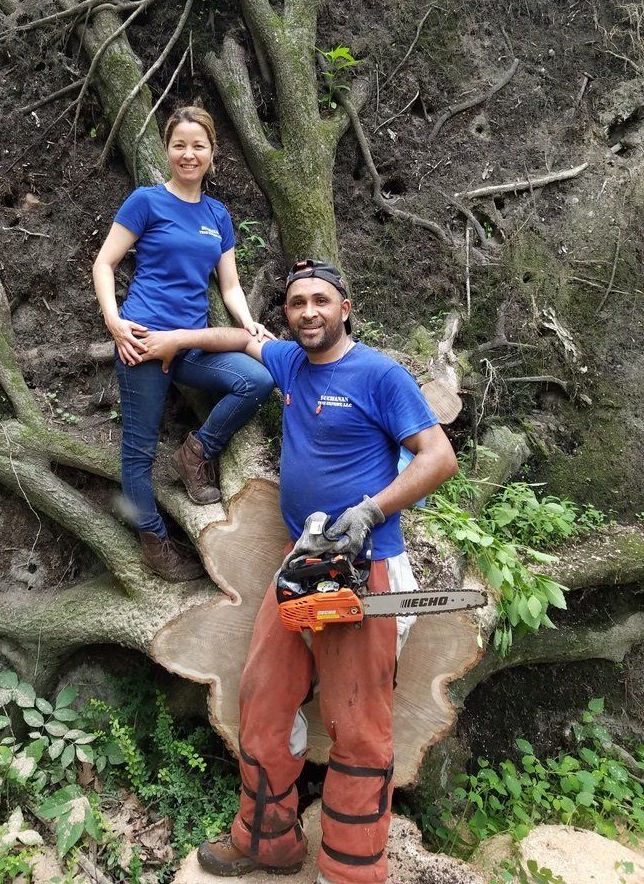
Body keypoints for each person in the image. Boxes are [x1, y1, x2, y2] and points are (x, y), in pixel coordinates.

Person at [138, 258, 458, 884]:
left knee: (358, 725)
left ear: (345, 307)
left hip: (368, 571)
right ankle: (268, 840)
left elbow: (438, 457)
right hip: (303, 563)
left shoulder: (380, 374)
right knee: (263, 697)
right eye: (296, 302)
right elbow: (240, 339)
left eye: (321, 300)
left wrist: (372, 509)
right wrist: (177, 340)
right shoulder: (289, 362)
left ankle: (351, 871)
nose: (308, 311)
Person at [92, 106, 275, 584]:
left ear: (212, 152)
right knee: (137, 451)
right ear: (167, 151)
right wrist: (114, 323)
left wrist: (250, 324)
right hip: (143, 341)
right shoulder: (146, 201)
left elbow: (230, 286)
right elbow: (105, 264)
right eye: (179, 145)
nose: (188, 154)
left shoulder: (218, 215)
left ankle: (196, 452)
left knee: (257, 378)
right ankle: (153, 542)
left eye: (198, 145)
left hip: (191, 344)